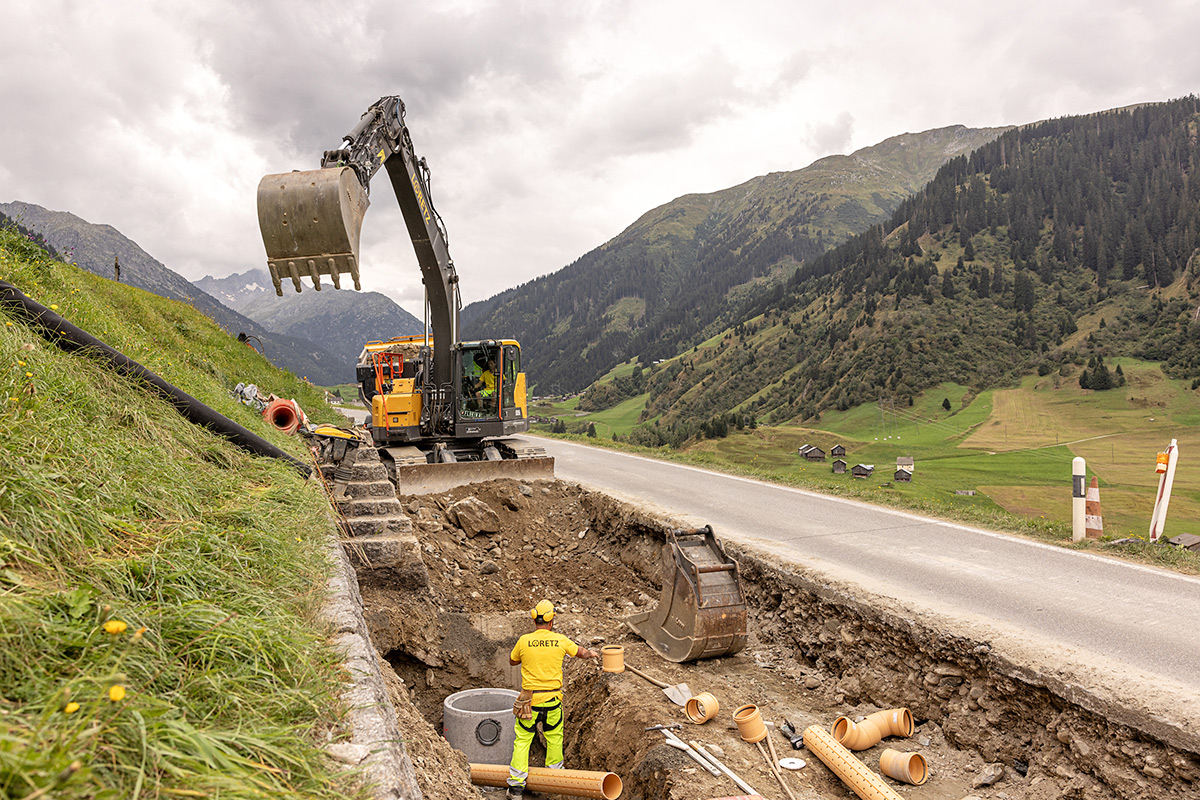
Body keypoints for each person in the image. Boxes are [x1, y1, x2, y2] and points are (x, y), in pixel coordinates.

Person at [507, 600, 598, 799]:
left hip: (529, 701)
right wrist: (592, 653)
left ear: (534, 619)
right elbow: (580, 652)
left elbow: (512, 660)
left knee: (522, 741)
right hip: (552, 701)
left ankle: (515, 789)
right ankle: (554, 780)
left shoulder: (524, 640)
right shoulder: (560, 640)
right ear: (551, 620)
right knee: (554, 737)